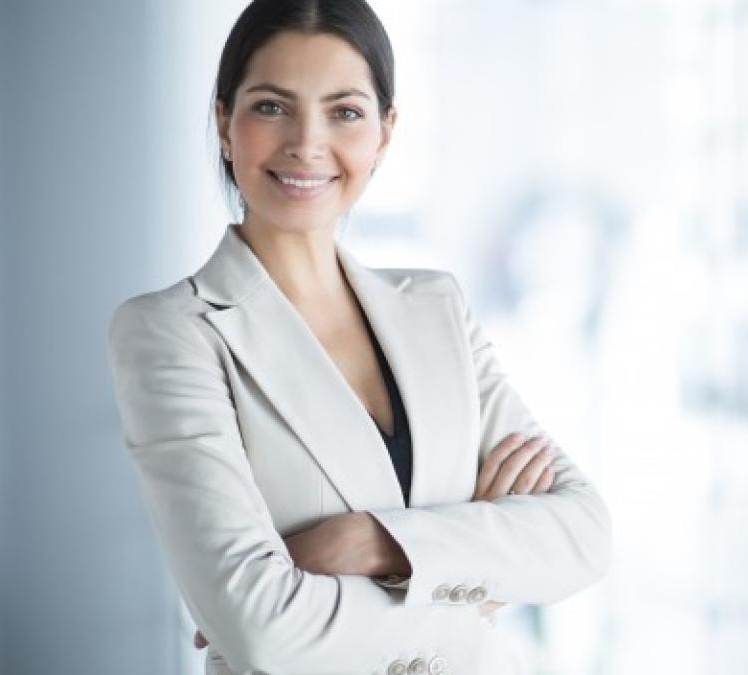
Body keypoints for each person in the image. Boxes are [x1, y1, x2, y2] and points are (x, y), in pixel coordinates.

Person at [106, 1, 611, 673]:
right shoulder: (173, 333)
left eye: (343, 111)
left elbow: (582, 533)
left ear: (384, 132)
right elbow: (263, 628)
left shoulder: (437, 308)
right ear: (225, 122)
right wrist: (474, 576)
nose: (307, 143)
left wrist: (379, 543)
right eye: (271, 107)